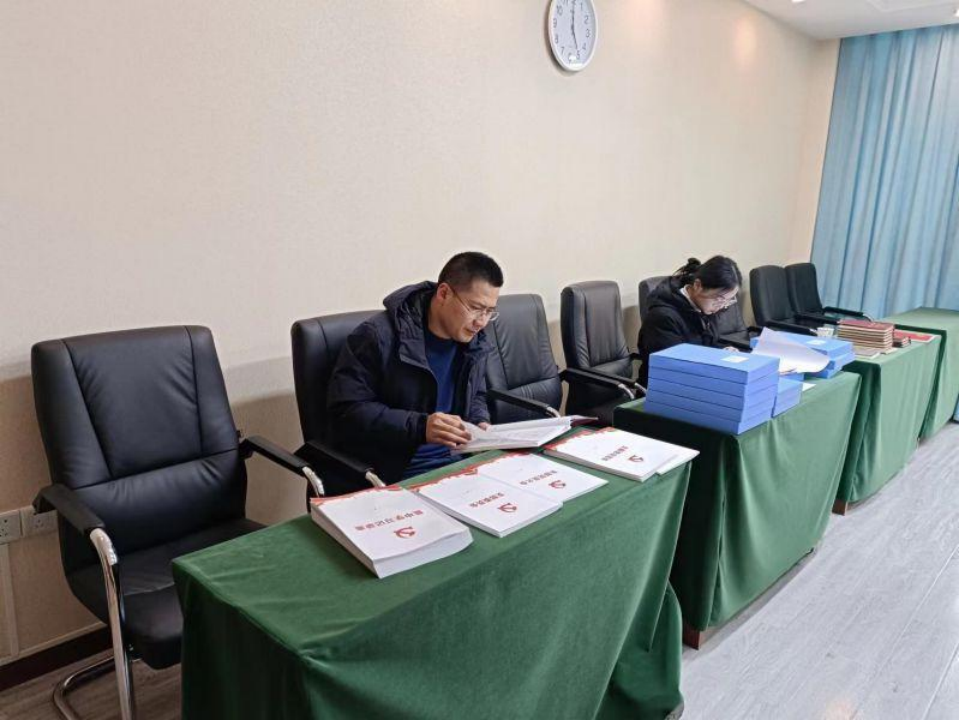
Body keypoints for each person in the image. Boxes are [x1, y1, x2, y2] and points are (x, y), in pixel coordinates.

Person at [327, 251, 503, 484]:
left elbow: (476, 393)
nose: (481, 322)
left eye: (489, 312)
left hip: (460, 460)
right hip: (397, 471)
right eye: (475, 308)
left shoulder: (474, 340)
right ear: (444, 293)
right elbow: (347, 411)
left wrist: (479, 421)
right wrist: (420, 427)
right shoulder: (377, 336)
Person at [637, 256, 742, 385]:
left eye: (729, 300)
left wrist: (723, 351)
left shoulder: (705, 307)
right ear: (697, 285)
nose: (722, 306)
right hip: (665, 388)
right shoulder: (663, 317)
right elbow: (672, 367)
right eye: (719, 299)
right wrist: (717, 361)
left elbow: (705, 344)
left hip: (697, 380)